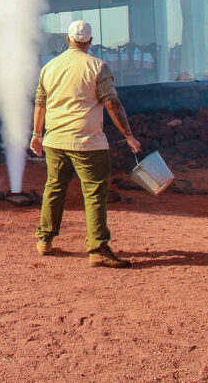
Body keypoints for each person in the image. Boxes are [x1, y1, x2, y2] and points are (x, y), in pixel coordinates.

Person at [30, 20, 141, 269]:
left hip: (55, 140)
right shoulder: (98, 67)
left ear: (68, 40)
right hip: (88, 143)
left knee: (54, 188)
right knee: (94, 193)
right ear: (89, 41)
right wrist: (129, 136)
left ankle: (44, 240)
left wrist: (37, 134)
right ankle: (97, 248)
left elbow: (40, 102)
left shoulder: (49, 67)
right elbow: (112, 103)